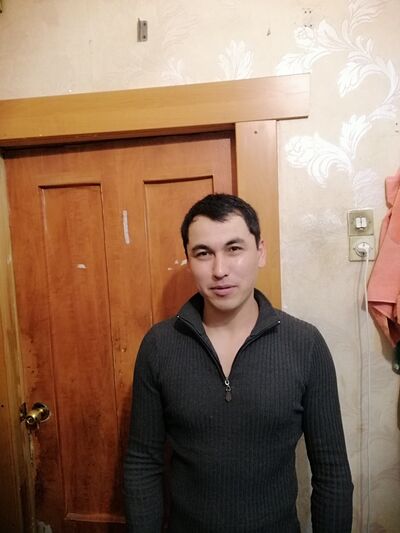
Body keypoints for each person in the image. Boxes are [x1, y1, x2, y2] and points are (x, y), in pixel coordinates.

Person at [123, 193, 353, 532]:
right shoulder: (159, 345)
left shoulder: (305, 344)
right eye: (204, 253)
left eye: (234, 249)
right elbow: (142, 463)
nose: (220, 270)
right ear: (189, 259)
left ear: (260, 252)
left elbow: (332, 471)